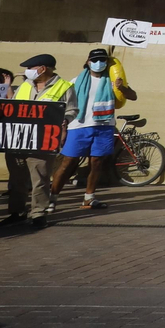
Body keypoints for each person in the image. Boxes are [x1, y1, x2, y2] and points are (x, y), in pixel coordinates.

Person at [48, 48, 132, 214]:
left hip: (104, 126)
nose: (98, 63)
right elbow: (65, 104)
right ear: (88, 62)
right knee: (68, 162)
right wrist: (63, 126)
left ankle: (89, 197)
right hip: (78, 126)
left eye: (102, 60)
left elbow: (133, 95)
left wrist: (121, 88)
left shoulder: (112, 81)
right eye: (95, 60)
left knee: (97, 162)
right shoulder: (76, 81)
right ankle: (52, 198)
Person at [0, 54, 73, 229]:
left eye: (30, 68)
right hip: (18, 139)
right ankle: (17, 212)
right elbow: (13, 107)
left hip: (43, 141)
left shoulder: (65, 87)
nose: (27, 72)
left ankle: (38, 214)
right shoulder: (25, 85)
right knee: (16, 179)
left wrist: (65, 120)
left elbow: (72, 110)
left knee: (40, 179)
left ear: (42, 69)